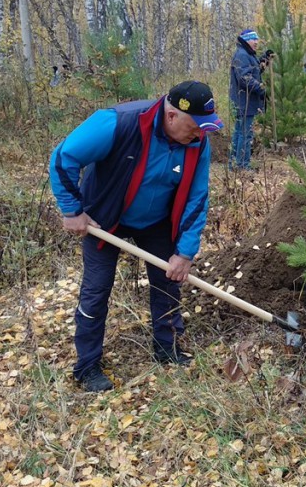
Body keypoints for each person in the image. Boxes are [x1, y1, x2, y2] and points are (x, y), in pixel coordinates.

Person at [49, 81, 223, 392]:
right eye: (196, 126)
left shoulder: (198, 142)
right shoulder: (119, 123)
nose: (201, 134)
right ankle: (87, 366)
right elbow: (63, 157)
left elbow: (198, 197)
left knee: (168, 282)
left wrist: (184, 253)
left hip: (155, 220)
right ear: (171, 116)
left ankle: (167, 349)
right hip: (105, 218)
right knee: (97, 289)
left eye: (205, 128)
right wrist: (72, 209)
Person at [229, 28, 267, 170]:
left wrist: (263, 60)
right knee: (245, 134)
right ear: (246, 40)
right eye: (253, 39)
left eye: (257, 39)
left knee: (240, 132)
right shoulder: (242, 55)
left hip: (244, 101)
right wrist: (261, 87)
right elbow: (244, 78)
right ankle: (242, 166)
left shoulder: (246, 54)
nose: (256, 42)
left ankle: (234, 165)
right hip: (244, 102)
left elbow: (252, 71)